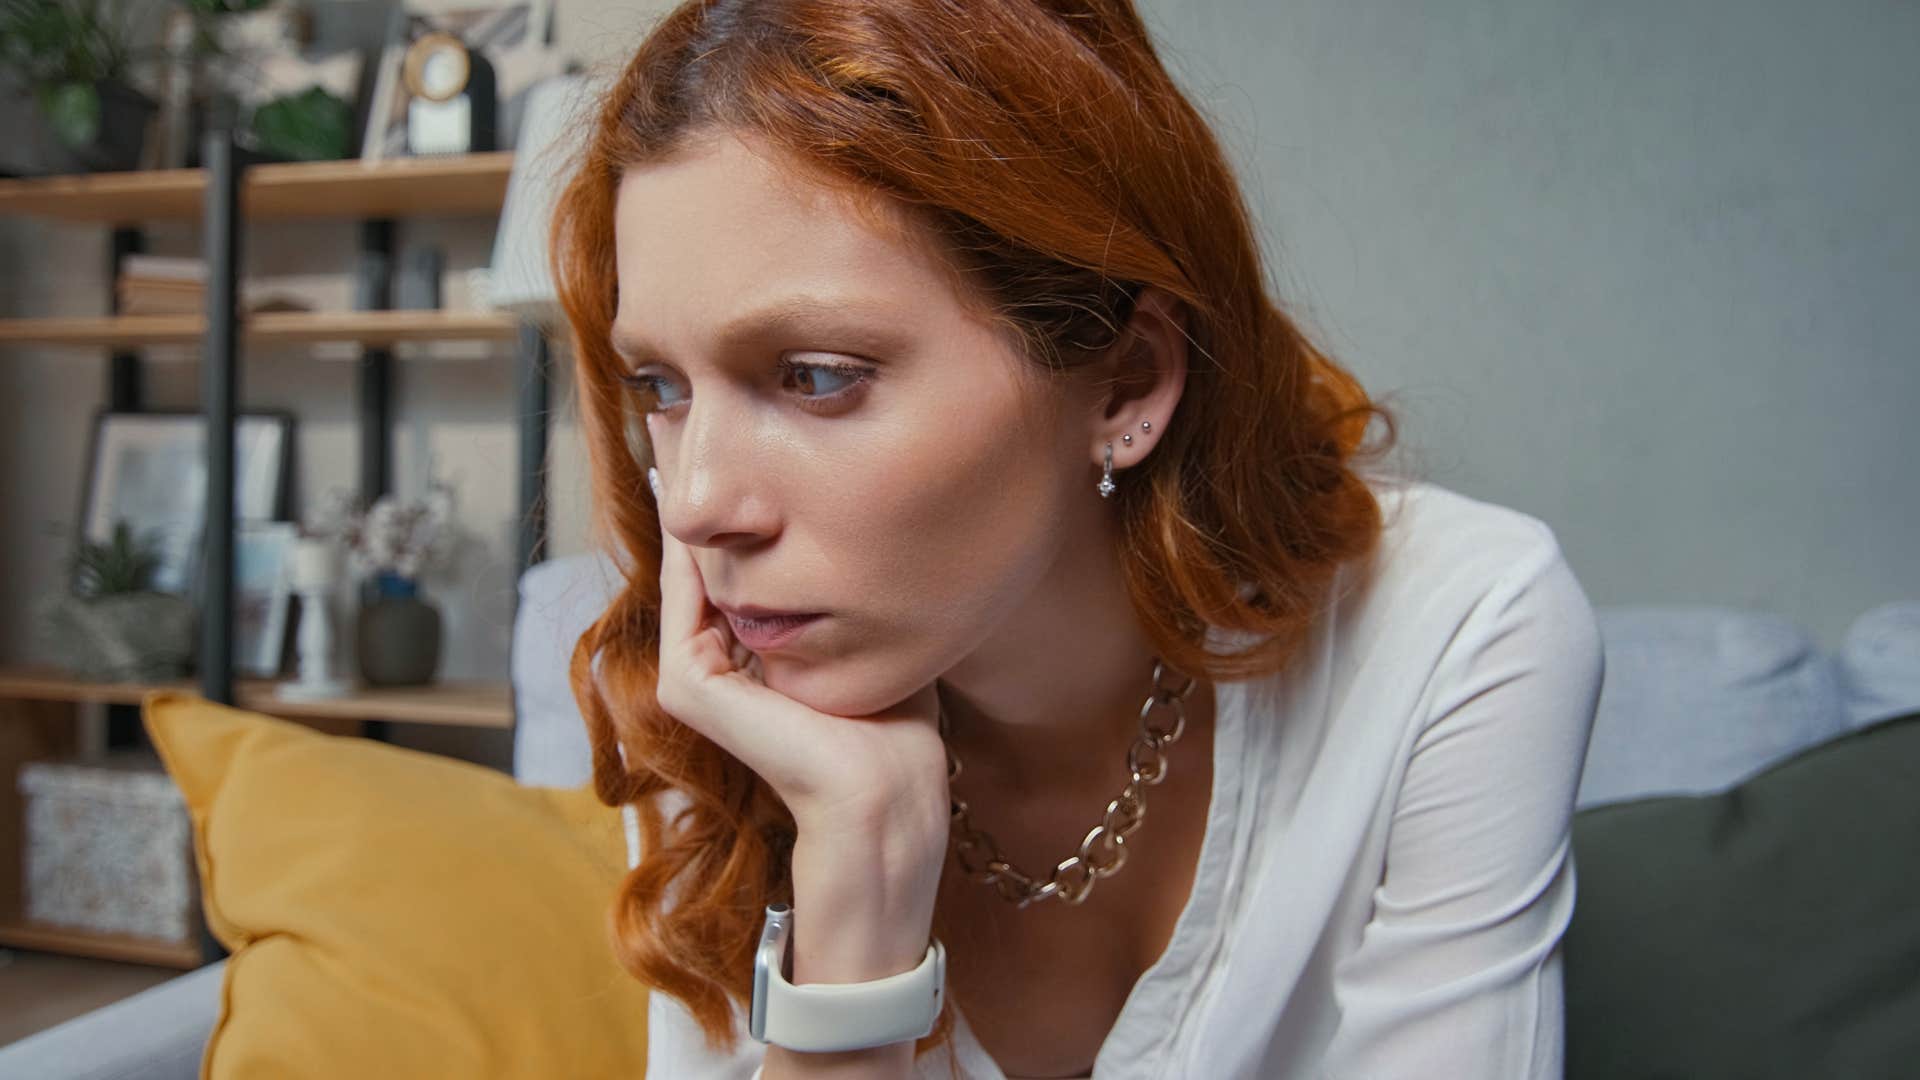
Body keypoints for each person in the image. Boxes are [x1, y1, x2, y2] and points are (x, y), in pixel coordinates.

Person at [551, 2, 1604, 1077]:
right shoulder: (716, 699)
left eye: (818, 375)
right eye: (661, 388)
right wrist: (857, 905)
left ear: (1127, 380)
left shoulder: (1455, 637)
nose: (695, 503)